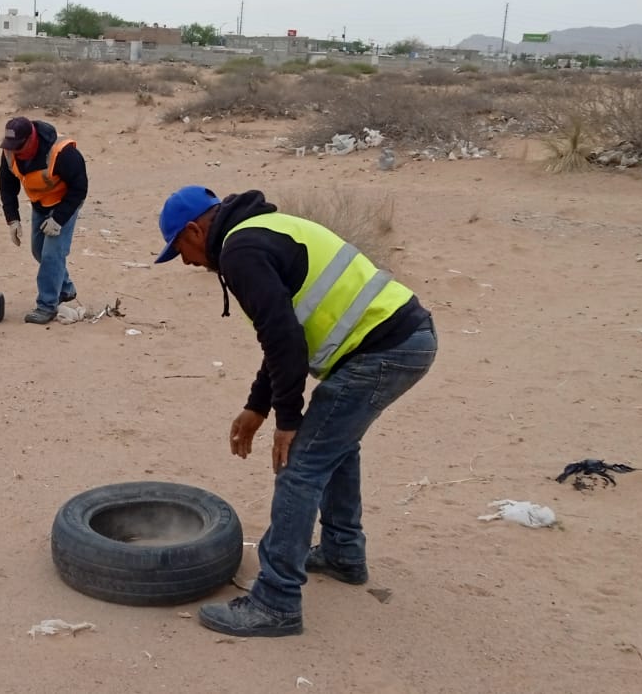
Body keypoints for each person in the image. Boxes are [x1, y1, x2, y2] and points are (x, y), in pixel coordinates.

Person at [153, 185, 437, 638]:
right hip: (401, 339)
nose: (185, 262)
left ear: (193, 230)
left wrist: (287, 420)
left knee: (300, 466)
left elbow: (285, 340)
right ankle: (343, 553)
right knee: (335, 446)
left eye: (179, 250)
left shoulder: (239, 251)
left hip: (384, 349)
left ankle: (276, 602)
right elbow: (285, 337)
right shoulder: (260, 230)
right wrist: (257, 405)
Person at [0, 116, 89, 324]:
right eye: (11, 146)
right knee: (38, 250)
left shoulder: (63, 153)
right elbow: (7, 185)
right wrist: (12, 219)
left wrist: (58, 220)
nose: (14, 151)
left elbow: (79, 188)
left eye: (18, 146)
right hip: (40, 204)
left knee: (52, 254)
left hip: (65, 204)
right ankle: (65, 289)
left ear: (31, 139)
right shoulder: (10, 152)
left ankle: (46, 306)